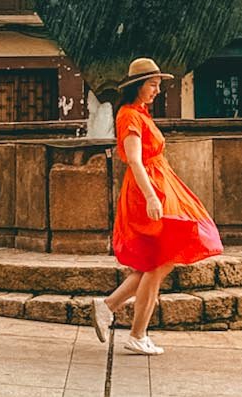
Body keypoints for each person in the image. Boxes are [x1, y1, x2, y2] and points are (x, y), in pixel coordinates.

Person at [93, 56, 223, 355]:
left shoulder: (139, 113)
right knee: (159, 261)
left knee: (156, 261)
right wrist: (151, 196)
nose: (157, 90)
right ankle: (136, 333)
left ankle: (109, 307)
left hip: (157, 187)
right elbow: (135, 160)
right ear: (138, 85)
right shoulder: (130, 116)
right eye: (152, 84)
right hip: (147, 192)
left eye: (157, 85)